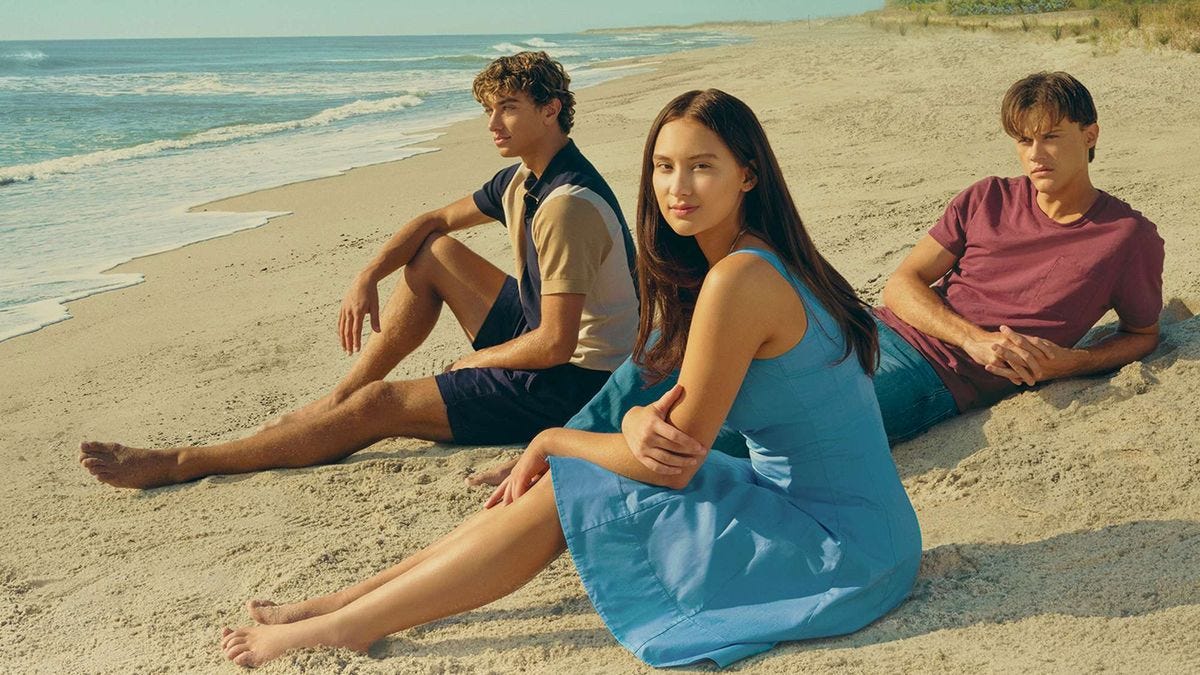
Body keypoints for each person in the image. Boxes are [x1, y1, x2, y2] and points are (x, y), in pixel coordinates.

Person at [216, 89, 921, 668]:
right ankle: (344, 604)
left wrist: (555, 437)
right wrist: (635, 425)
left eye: (702, 167)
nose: (678, 188)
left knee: (569, 483)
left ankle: (348, 622)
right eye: (664, 166)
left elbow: (671, 463)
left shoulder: (738, 279)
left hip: (842, 552)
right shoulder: (756, 259)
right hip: (857, 523)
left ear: (748, 174)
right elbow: (670, 420)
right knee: (578, 473)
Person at [489, 70, 1164, 471]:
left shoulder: (1127, 237)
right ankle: (554, 449)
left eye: (1051, 135)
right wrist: (974, 336)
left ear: (1091, 134)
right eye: (1024, 138)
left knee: (737, 429)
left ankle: (571, 467)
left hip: (934, 376)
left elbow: (1141, 334)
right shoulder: (987, 196)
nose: (1035, 153)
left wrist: (1062, 363)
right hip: (871, 327)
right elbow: (902, 284)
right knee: (667, 355)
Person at [78, 51, 639, 489]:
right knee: (434, 252)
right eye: (489, 109)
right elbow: (433, 220)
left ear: (551, 109)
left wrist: (475, 360)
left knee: (381, 408)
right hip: (549, 337)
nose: (493, 123)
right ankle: (336, 400)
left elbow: (557, 344)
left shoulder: (567, 204)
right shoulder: (526, 177)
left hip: (579, 384)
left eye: (509, 107)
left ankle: (184, 462)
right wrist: (366, 276)